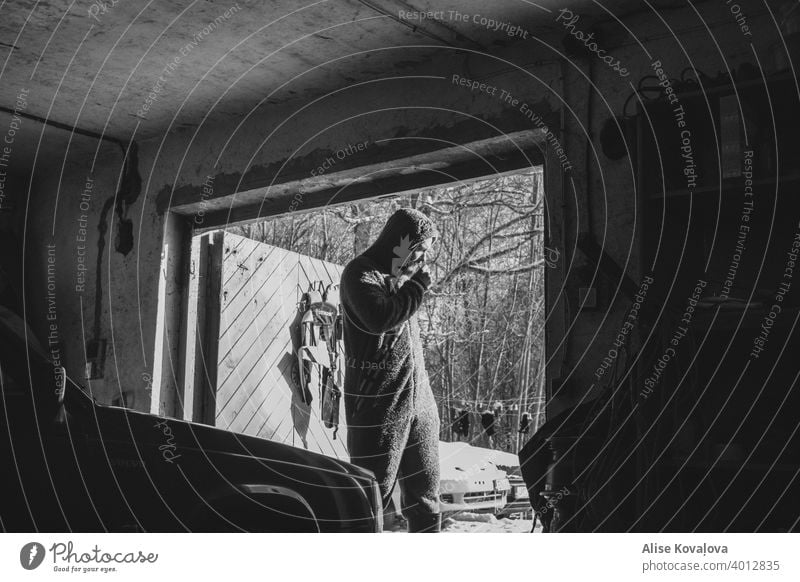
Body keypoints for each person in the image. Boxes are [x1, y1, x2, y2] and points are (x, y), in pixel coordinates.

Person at [340, 208, 441, 533]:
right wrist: (418, 287)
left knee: (426, 503)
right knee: (370, 502)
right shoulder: (360, 273)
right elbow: (378, 317)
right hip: (377, 407)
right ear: (402, 242)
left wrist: (411, 285)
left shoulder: (400, 281)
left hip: (419, 405)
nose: (423, 258)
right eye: (420, 248)